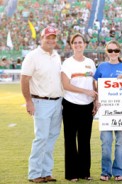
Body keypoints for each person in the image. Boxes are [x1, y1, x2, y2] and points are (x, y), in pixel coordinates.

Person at [21, 26, 63, 183]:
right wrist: (28, 101)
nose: (51, 40)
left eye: (53, 37)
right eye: (48, 37)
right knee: (41, 138)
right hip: (41, 102)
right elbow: (24, 79)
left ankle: (46, 172)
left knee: (51, 138)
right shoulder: (33, 56)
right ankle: (34, 173)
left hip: (57, 102)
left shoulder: (56, 56)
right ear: (42, 38)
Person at [93, 40, 122, 181]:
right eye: (110, 50)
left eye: (116, 50)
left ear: (119, 51)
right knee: (105, 142)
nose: (113, 53)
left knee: (120, 141)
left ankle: (119, 171)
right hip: (105, 112)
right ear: (106, 52)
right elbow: (95, 86)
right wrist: (96, 100)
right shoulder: (102, 67)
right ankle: (105, 171)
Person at [61, 33, 98, 182]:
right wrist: (85, 92)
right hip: (70, 105)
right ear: (71, 45)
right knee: (70, 140)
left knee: (84, 140)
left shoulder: (90, 62)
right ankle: (72, 174)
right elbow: (66, 85)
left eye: (80, 42)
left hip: (86, 106)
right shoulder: (67, 63)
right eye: (75, 43)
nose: (78, 45)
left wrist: (96, 100)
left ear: (85, 45)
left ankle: (84, 172)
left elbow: (94, 83)